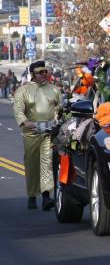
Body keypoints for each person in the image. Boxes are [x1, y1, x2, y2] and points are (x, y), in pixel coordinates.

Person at [13, 60, 61, 210]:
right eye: (40, 72)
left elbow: (60, 107)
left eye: (45, 72)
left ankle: (46, 197)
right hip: (31, 133)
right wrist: (25, 122)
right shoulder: (23, 90)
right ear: (33, 74)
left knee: (47, 163)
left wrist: (58, 119)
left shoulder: (54, 90)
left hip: (48, 133)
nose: (43, 75)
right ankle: (32, 197)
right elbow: (18, 109)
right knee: (32, 164)